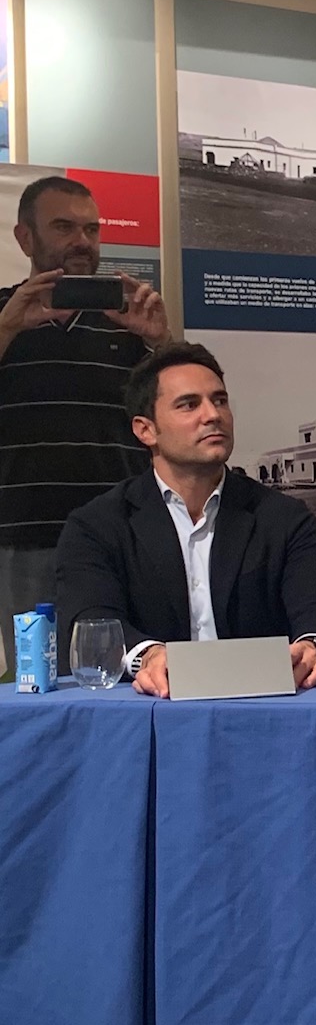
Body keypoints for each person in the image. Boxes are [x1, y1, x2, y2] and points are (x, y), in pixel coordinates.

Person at [55, 341, 316, 697]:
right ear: (145, 430)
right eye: (189, 404)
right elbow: (91, 622)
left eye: (220, 401)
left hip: (265, 704)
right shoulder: (97, 526)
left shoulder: (285, 518)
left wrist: (313, 647)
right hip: (152, 707)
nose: (213, 415)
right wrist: (149, 656)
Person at [0, 175, 169, 673]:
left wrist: (161, 342)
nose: (82, 241)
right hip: (27, 534)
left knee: (136, 673)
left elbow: (182, 407)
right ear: (25, 238)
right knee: (42, 680)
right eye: (64, 227)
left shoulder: (127, 322)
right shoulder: (2, 313)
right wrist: (7, 327)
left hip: (123, 536)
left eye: (92, 229)